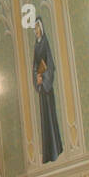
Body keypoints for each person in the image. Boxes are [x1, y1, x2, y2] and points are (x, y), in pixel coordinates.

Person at [32, 15, 64, 164]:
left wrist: (44, 78)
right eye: (35, 28)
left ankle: (56, 148)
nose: (36, 30)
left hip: (47, 88)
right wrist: (36, 77)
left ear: (41, 28)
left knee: (51, 115)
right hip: (41, 88)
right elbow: (34, 66)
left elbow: (50, 64)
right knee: (44, 118)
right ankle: (47, 153)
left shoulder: (45, 43)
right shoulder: (36, 46)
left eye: (37, 27)